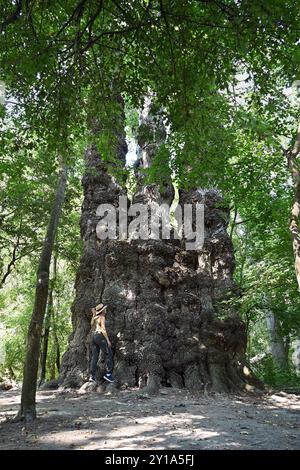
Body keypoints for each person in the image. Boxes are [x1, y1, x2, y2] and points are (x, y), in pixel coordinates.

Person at [89, 303, 114, 383]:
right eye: (105, 309)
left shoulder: (95, 318)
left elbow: (92, 324)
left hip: (93, 337)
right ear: (103, 310)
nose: (105, 309)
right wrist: (107, 340)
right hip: (100, 337)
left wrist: (93, 314)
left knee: (94, 357)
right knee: (109, 354)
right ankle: (108, 374)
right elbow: (103, 329)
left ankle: (92, 376)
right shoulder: (102, 317)